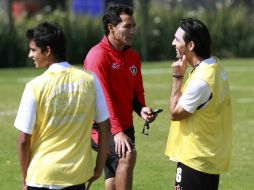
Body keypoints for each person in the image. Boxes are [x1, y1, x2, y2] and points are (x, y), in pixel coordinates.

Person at [14, 22, 110, 190]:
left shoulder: (34, 86)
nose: (30, 55)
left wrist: (25, 179)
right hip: (77, 176)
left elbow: (23, 140)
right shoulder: (90, 80)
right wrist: (99, 167)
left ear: (48, 50)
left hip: (41, 176)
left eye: (33, 49)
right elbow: (105, 127)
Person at [84, 4, 156, 190]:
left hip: (125, 126)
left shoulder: (133, 57)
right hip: (101, 128)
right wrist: (117, 132)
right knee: (127, 155)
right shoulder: (97, 56)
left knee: (114, 178)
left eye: (133, 26)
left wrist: (143, 110)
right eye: (127, 26)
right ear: (111, 27)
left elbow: (136, 95)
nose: (132, 31)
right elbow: (104, 98)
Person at [165, 18, 232, 190]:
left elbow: (174, 113)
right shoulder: (216, 67)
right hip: (209, 157)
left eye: (177, 39)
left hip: (195, 160)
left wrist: (177, 77)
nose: (173, 43)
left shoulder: (201, 81)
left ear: (191, 46)